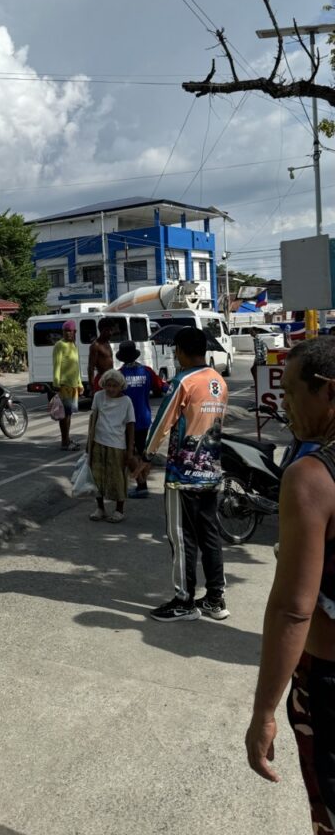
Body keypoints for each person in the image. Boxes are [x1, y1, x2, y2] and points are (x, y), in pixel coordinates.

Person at [245, 338, 335, 833]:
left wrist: (264, 712)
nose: (284, 406)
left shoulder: (312, 477)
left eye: (292, 393)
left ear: (328, 392)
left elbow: (294, 610)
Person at [139, 326, 229, 622]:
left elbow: (163, 422)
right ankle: (215, 599)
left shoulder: (183, 381)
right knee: (210, 536)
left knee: (181, 537)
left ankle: (184, 600)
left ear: (179, 350)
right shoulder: (218, 381)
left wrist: (146, 456)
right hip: (212, 472)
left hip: (183, 475)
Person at [116, 339, 166, 498]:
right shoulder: (147, 371)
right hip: (144, 419)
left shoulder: (119, 375)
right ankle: (142, 484)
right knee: (141, 453)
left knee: (129, 455)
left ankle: (142, 485)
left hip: (126, 422)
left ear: (122, 357)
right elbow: (163, 388)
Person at [87, 368, 138, 523]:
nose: (111, 389)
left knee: (118, 478)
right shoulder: (98, 396)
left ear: (120, 386)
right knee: (97, 478)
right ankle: (100, 508)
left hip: (117, 445)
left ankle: (119, 510)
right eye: (108, 385)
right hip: (98, 442)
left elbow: (130, 426)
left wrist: (130, 450)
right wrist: (89, 443)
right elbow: (93, 419)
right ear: (103, 385)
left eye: (114, 386)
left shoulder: (126, 401)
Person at [52, 319, 84, 450]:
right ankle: (64, 441)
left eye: (70, 331)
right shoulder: (60, 345)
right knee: (63, 415)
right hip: (64, 384)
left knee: (69, 414)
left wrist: (80, 383)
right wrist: (56, 382)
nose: (68, 333)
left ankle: (67, 438)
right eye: (65, 331)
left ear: (74, 331)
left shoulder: (74, 346)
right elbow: (57, 365)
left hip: (73, 385)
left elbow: (77, 367)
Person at [88, 318, 114, 395]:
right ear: (101, 330)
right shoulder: (95, 345)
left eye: (111, 330)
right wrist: (92, 388)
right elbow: (90, 368)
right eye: (107, 330)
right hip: (101, 381)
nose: (110, 333)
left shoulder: (107, 343)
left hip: (110, 379)